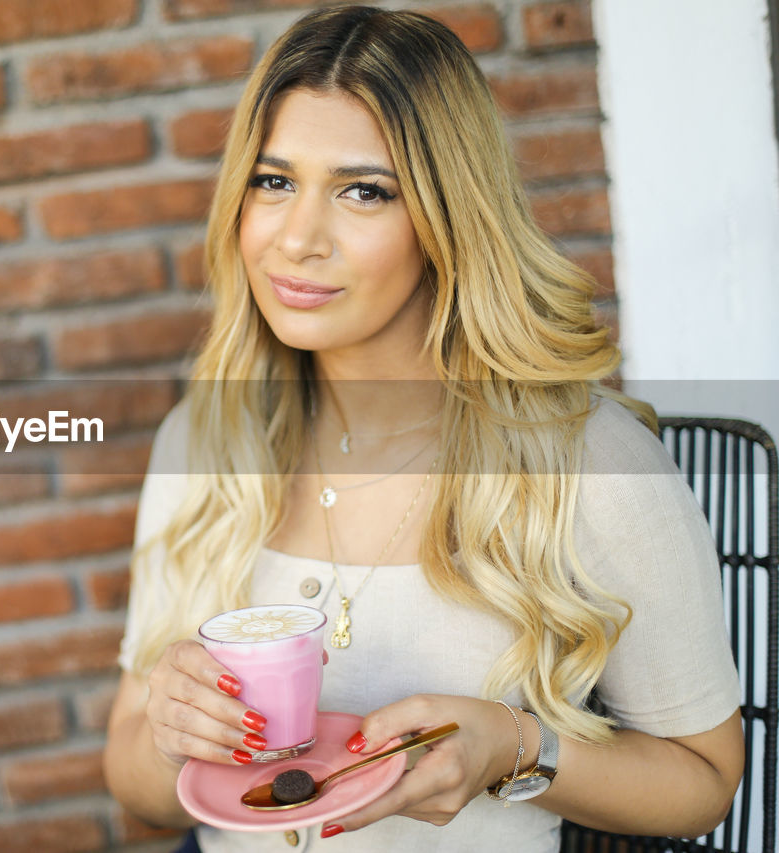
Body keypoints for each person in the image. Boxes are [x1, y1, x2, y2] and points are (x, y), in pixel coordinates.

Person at [102, 5, 744, 852]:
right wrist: (169, 724)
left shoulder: (591, 463)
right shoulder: (203, 441)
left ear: (448, 221)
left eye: (364, 191)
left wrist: (517, 747)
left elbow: (704, 782)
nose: (297, 237)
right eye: (274, 180)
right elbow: (139, 795)